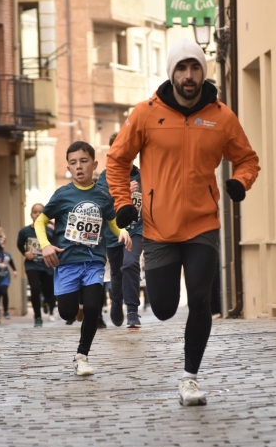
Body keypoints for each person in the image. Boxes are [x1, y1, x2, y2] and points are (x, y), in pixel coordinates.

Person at [106, 38, 260, 405]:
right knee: (162, 307)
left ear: (202, 72)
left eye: (194, 68)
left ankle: (191, 377)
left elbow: (247, 159)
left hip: (203, 224)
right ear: (172, 72)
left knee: (202, 297)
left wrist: (240, 182)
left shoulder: (221, 116)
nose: (188, 76)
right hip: (159, 228)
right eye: (181, 68)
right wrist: (124, 202)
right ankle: (161, 306)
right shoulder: (146, 114)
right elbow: (116, 160)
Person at [34, 141, 132, 376]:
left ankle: (82, 356)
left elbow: (110, 221)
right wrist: (46, 246)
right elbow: (41, 221)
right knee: (67, 313)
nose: (79, 167)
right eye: (73, 163)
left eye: (84, 161)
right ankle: (74, 305)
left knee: (92, 307)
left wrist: (122, 231)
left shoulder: (102, 194)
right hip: (67, 261)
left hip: (94, 261)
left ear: (94, 164)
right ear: (68, 168)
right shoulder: (63, 194)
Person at [97, 132, 144, 330]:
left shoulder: (142, 175)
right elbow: (100, 201)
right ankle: (116, 302)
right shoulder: (105, 176)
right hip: (113, 232)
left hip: (137, 229)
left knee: (130, 263)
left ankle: (132, 310)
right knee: (116, 273)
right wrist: (125, 189)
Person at [17, 203, 56, 327]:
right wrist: (25, 253)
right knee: (34, 288)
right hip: (32, 265)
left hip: (47, 265)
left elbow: (55, 245)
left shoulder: (49, 231)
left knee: (48, 291)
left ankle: (48, 305)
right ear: (31, 215)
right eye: (35, 212)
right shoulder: (24, 231)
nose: (38, 214)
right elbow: (19, 244)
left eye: (40, 212)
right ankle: (37, 317)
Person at [0, 238, 17, 319]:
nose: (1, 245)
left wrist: (15, 270)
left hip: (5, 276)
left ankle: (6, 311)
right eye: (0, 244)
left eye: (3, 244)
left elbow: (11, 262)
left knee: (4, 292)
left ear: (5, 245)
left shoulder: (7, 254)